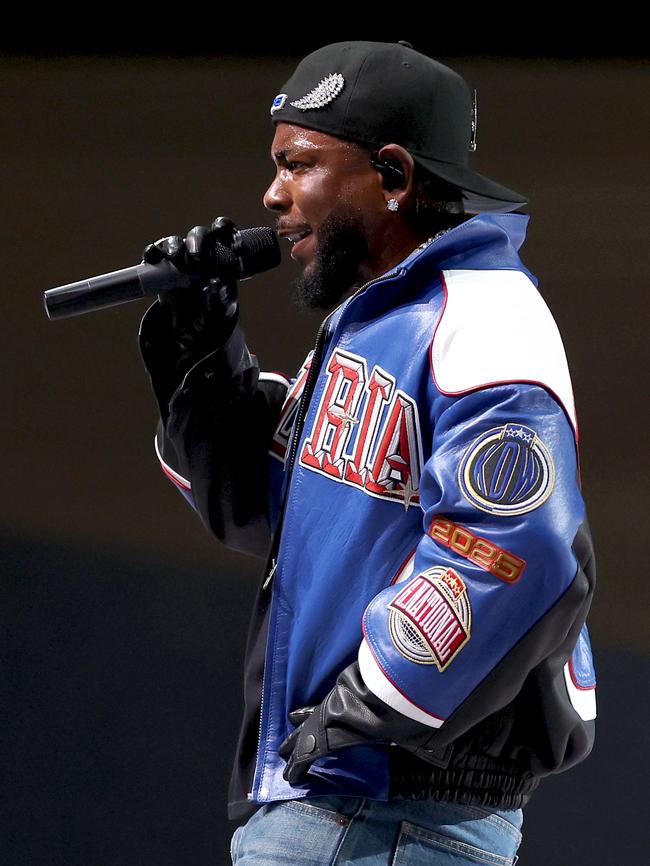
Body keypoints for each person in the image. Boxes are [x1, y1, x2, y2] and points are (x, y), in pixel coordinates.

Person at [137, 41, 597, 866]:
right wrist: (201, 352)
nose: (272, 195)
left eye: (298, 163)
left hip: (384, 811)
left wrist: (363, 707)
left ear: (391, 176)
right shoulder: (377, 322)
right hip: (350, 805)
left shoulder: (483, 312)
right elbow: (278, 511)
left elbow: (515, 546)